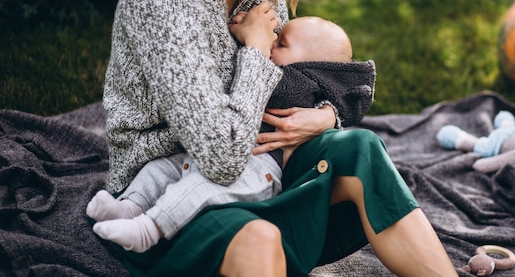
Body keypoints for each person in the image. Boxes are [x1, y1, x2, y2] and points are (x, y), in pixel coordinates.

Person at [99, 0, 457, 275]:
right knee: (259, 238)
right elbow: (220, 159)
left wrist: (326, 117)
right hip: (164, 195)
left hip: (261, 167)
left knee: (362, 150)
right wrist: (254, 47)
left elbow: (297, 75)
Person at [87, 16, 376, 253]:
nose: (272, 41)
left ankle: (147, 230)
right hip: (216, 152)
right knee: (160, 169)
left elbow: (258, 78)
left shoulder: (294, 84)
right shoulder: (293, 73)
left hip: (256, 170)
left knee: (197, 188)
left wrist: (253, 40)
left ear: (311, 66)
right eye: (274, 36)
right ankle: (129, 207)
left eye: (282, 42)